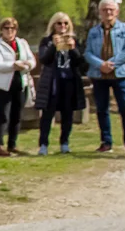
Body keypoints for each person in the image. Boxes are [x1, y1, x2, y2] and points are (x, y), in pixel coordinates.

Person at [84, 0, 125, 156]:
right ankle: (106, 142)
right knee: (102, 109)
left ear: (117, 11)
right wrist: (100, 64)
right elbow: (87, 52)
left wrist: (111, 64)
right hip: (99, 75)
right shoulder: (94, 31)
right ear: (100, 12)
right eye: (105, 10)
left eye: (111, 9)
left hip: (120, 75)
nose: (108, 12)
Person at [31, 12, 87, 155]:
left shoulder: (74, 40)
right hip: (52, 82)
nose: (63, 26)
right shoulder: (47, 41)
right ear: (53, 25)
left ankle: (64, 143)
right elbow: (44, 59)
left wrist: (73, 48)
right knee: (47, 114)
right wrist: (53, 46)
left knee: (67, 113)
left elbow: (81, 62)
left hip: (69, 81)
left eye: (65, 23)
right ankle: (43, 144)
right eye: (59, 23)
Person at [0, 17, 33, 156]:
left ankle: (12, 144)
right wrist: (14, 65)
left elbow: (32, 60)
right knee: (3, 115)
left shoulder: (22, 43)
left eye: (12, 28)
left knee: (17, 115)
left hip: (20, 83)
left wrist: (27, 64)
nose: (9, 31)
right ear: (1, 30)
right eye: (6, 28)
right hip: (3, 86)